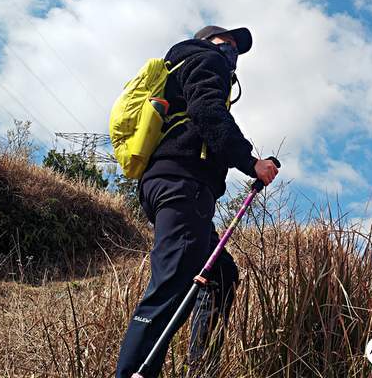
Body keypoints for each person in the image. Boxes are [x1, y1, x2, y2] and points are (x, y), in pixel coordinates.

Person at [115, 25, 279, 378]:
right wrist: (251, 162)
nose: (232, 52)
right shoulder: (206, 59)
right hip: (182, 183)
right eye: (227, 43)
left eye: (236, 49)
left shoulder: (181, 67)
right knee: (171, 285)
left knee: (221, 276)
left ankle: (201, 368)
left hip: (171, 184)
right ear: (207, 42)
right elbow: (208, 113)